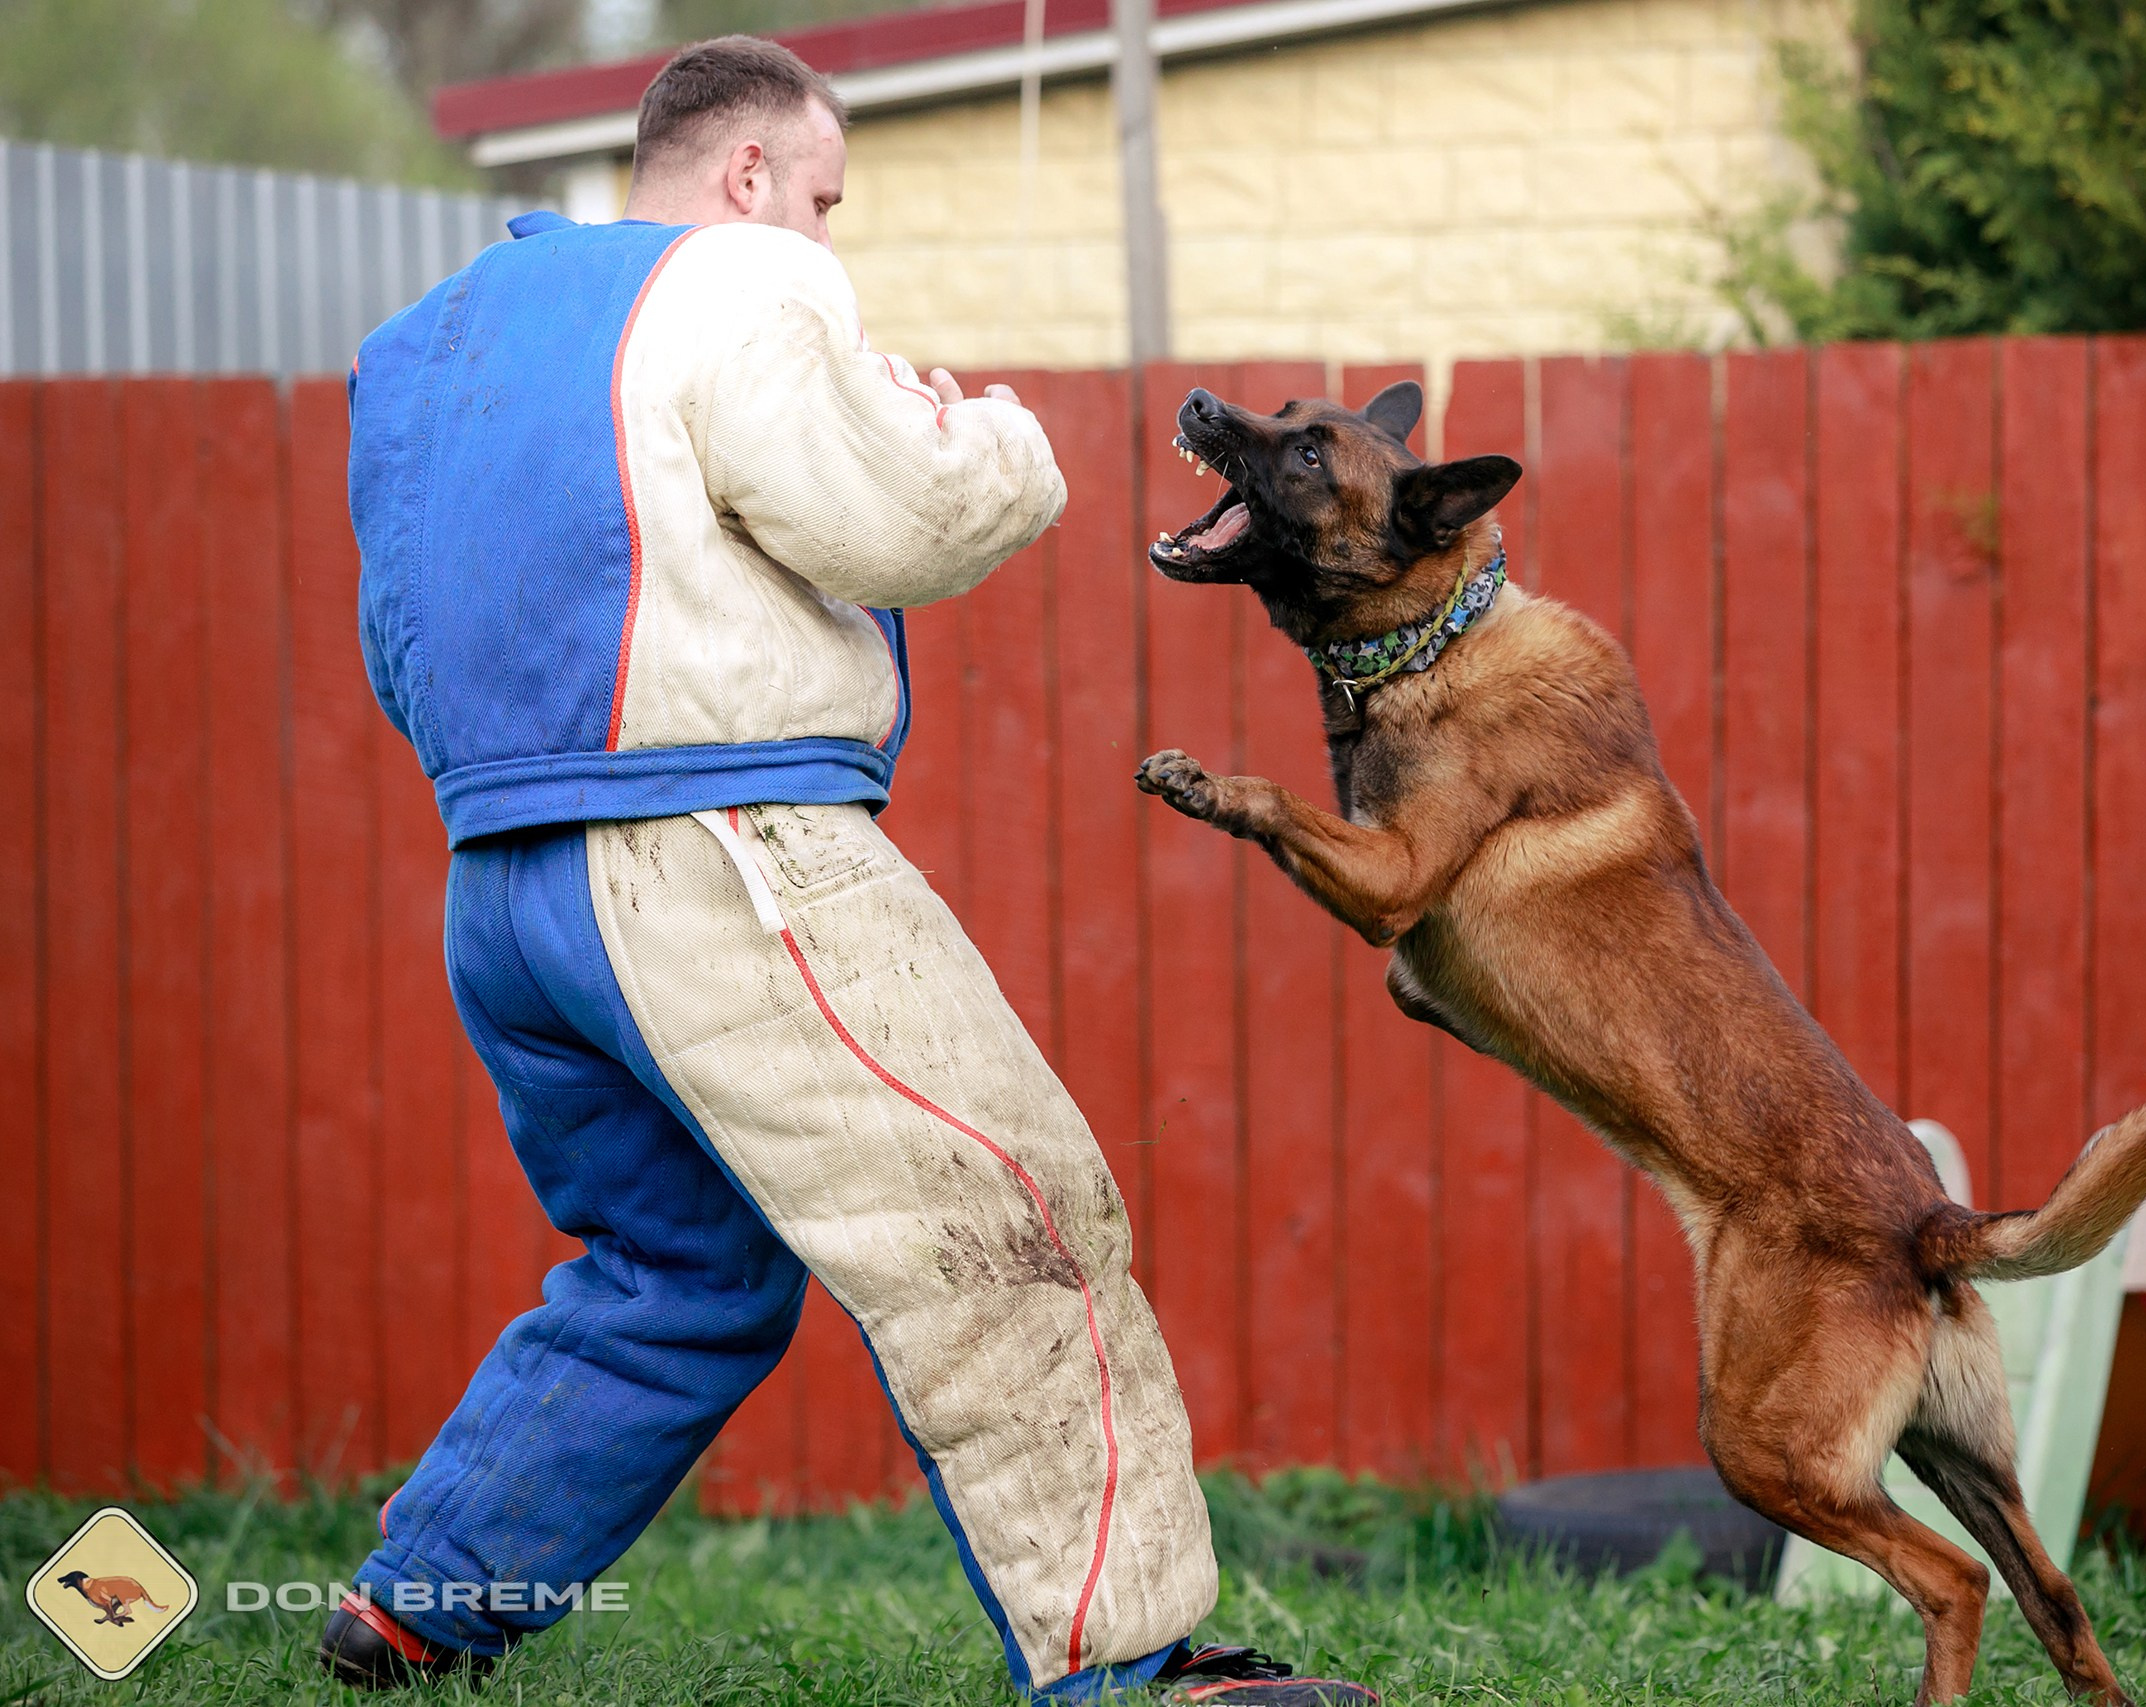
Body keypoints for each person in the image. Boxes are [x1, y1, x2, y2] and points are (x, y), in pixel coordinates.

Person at [323, 35, 1370, 1706]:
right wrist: (993, 440)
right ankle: (1136, 1665)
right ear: (745, 174)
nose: (823, 235)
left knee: (674, 1278)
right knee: (1011, 1211)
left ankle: (417, 1605)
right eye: (821, 197)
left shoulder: (423, 347)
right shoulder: (739, 275)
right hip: (718, 852)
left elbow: (402, 636)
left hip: (502, 885)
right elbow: (891, 517)